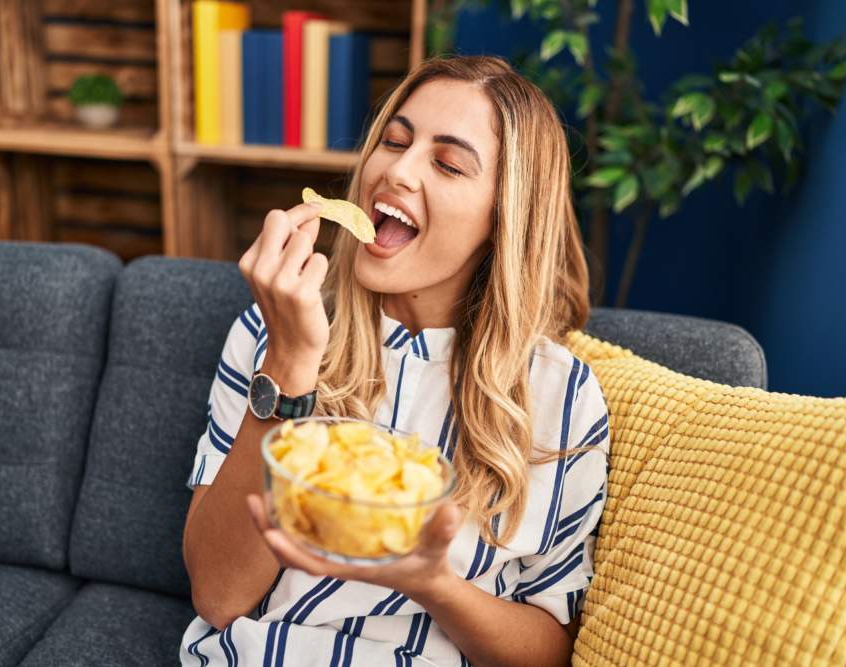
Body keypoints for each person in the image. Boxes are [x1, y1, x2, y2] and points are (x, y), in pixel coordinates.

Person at [180, 54, 610, 667]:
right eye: (393, 141)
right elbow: (218, 597)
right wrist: (292, 363)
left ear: (505, 216)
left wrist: (428, 581)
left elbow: (546, 652)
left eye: (448, 163)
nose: (397, 171)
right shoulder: (269, 330)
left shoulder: (561, 395)